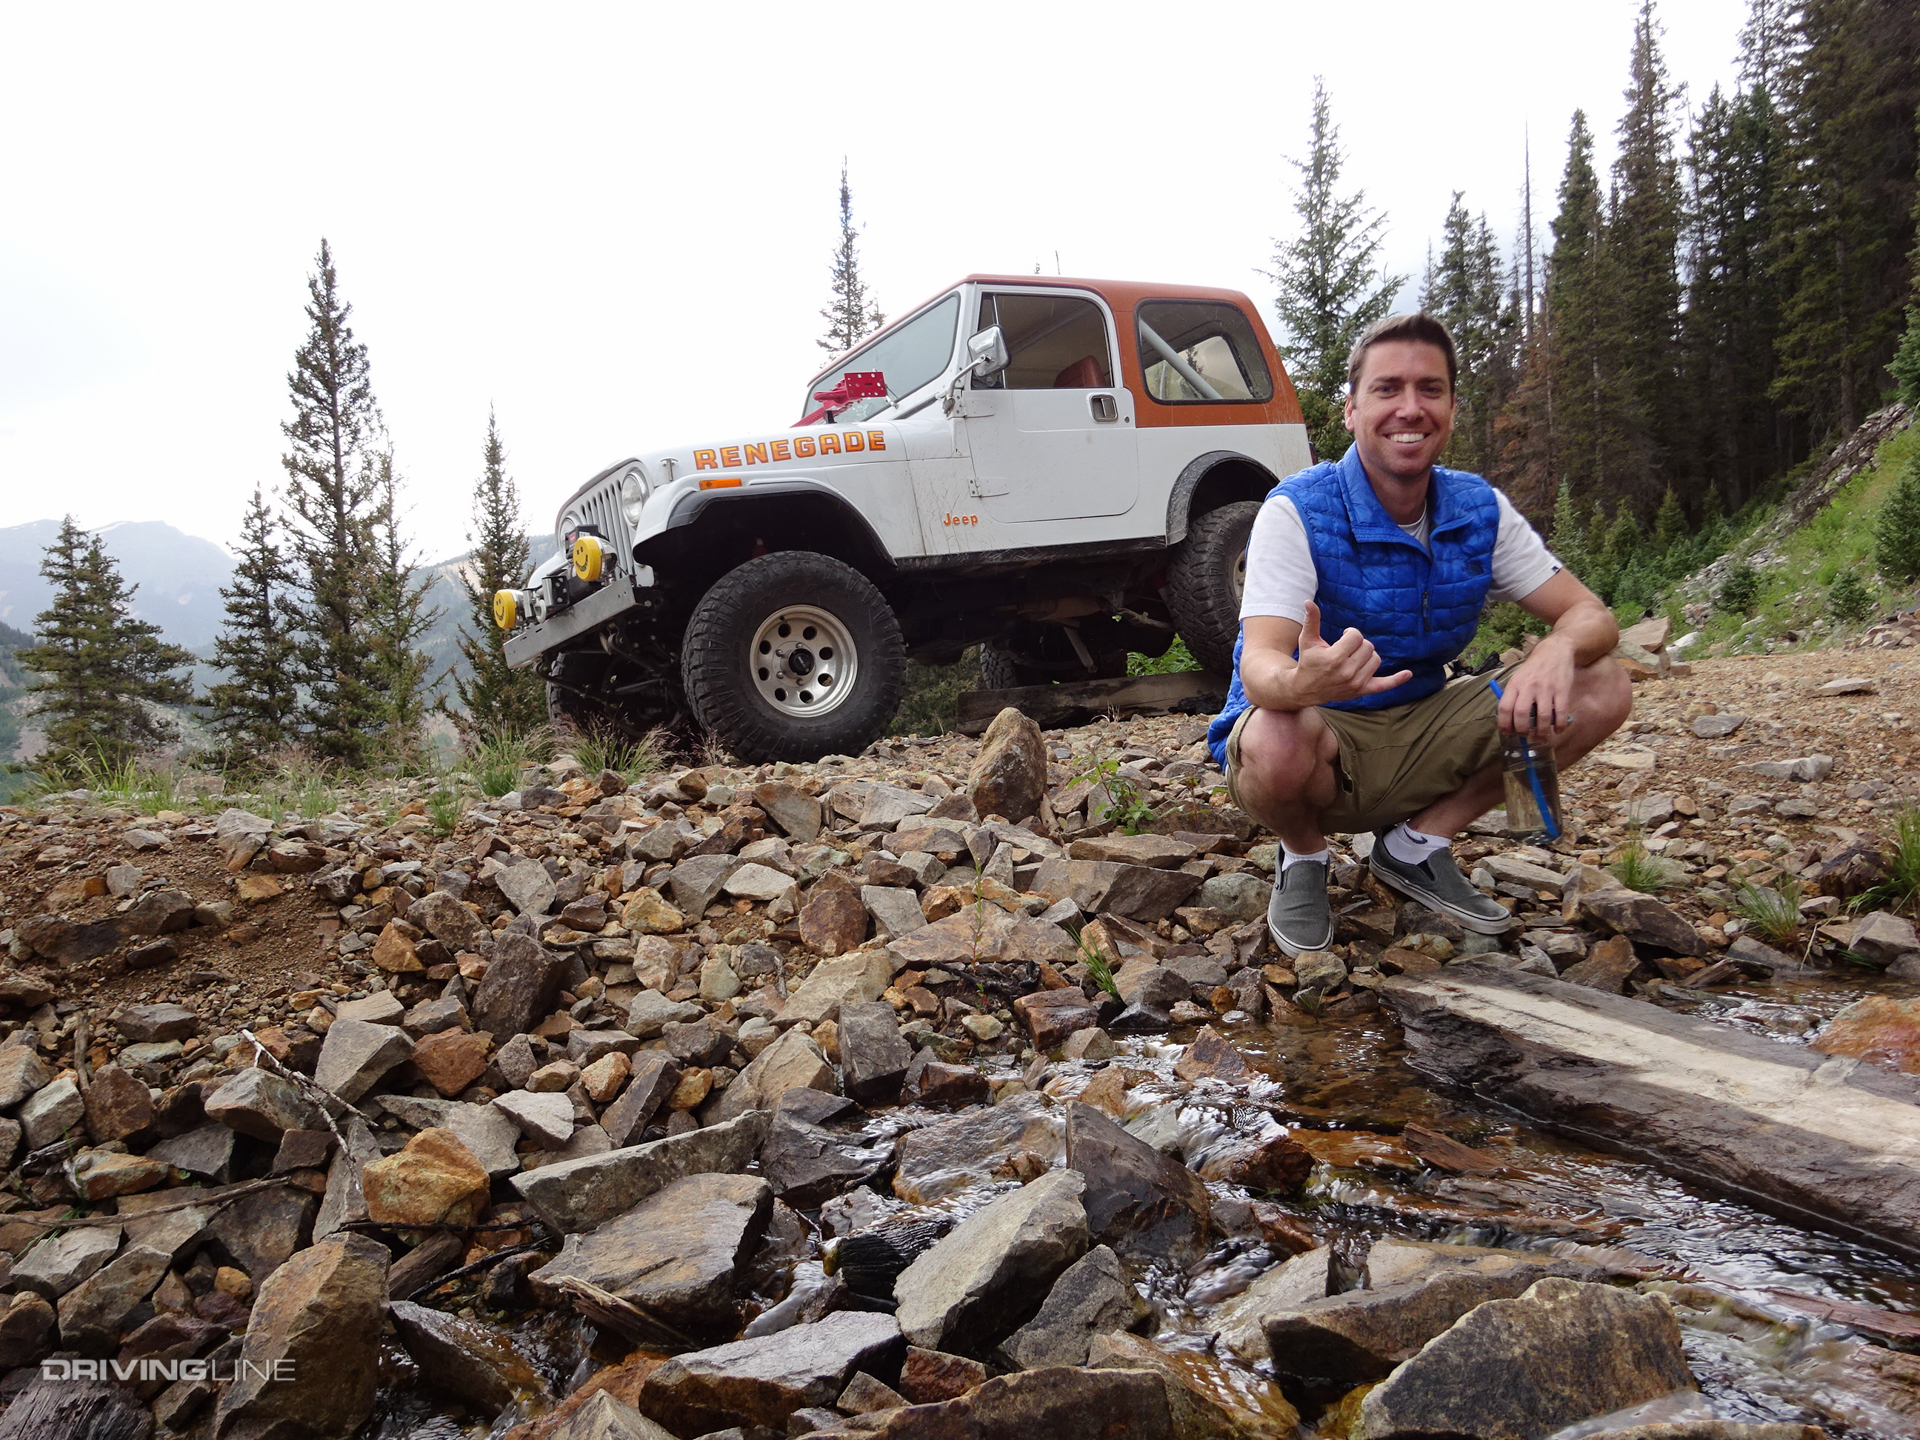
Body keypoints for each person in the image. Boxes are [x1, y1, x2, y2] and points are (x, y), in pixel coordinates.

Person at [1207, 312, 1632, 957]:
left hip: (1426, 720)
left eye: (1429, 389)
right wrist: (1301, 681)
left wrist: (1556, 649)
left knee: (1601, 683)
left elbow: (1592, 616)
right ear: (1350, 410)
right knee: (1272, 728)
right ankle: (1303, 857)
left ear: (1452, 409)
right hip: (1321, 736)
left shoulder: (1478, 509)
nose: (1410, 407)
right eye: (1387, 389)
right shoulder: (1293, 510)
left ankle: (1415, 847)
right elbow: (1260, 664)